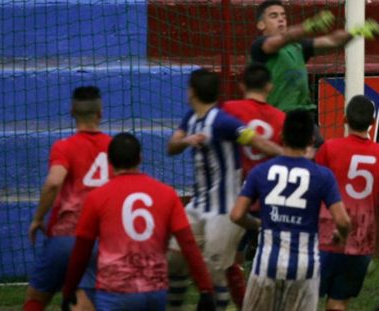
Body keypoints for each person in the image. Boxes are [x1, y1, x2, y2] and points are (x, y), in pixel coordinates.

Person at [166, 68, 283, 311]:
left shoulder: (223, 121)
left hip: (225, 211)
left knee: (214, 273)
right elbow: (171, 147)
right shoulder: (191, 118)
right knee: (174, 259)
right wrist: (186, 141)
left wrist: (290, 155)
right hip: (198, 206)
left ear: (192, 91)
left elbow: (256, 140)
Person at [60, 133, 216, 311]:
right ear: (140, 158)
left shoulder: (96, 197)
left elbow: (82, 250)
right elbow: (188, 244)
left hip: (115, 291)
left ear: (110, 161)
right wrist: (205, 289)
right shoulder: (167, 193)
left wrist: (69, 290)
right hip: (155, 290)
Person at [230, 109, 352, 311]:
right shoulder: (323, 176)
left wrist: (257, 224)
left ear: (281, 136)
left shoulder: (260, 171)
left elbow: (236, 215)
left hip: (267, 265)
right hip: (305, 268)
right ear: (311, 141)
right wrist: (341, 235)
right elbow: (343, 221)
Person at [24, 86, 112, 311]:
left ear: (72, 111)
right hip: (100, 240)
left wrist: (38, 218)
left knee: (36, 298)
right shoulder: (114, 147)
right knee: (85, 302)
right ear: (100, 113)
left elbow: (54, 182)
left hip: (66, 236)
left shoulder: (64, 147)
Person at [316, 95, 379, 311]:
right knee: (338, 304)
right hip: (360, 241)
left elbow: (314, 187)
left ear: (345, 119)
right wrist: (374, 202)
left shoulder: (329, 148)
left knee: (305, 299)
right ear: (373, 122)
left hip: (325, 238)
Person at [250, 0, 379, 145]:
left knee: (319, 153)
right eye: (274, 16)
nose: (281, 19)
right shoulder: (259, 45)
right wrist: (308, 26)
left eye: (283, 15)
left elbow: (332, 41)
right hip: (278, 118)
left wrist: (355, 33)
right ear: (261, 25)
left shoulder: (297, 46)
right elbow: (282, 39)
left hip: (305, 116)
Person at [220, 62, 286, 308]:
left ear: (241, 85)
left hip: (237, 195)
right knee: (273, 255)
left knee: (232, 256)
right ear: (269, 86)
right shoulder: (280, 117)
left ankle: (244, 302)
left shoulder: (229, 109)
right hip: (271, 196)